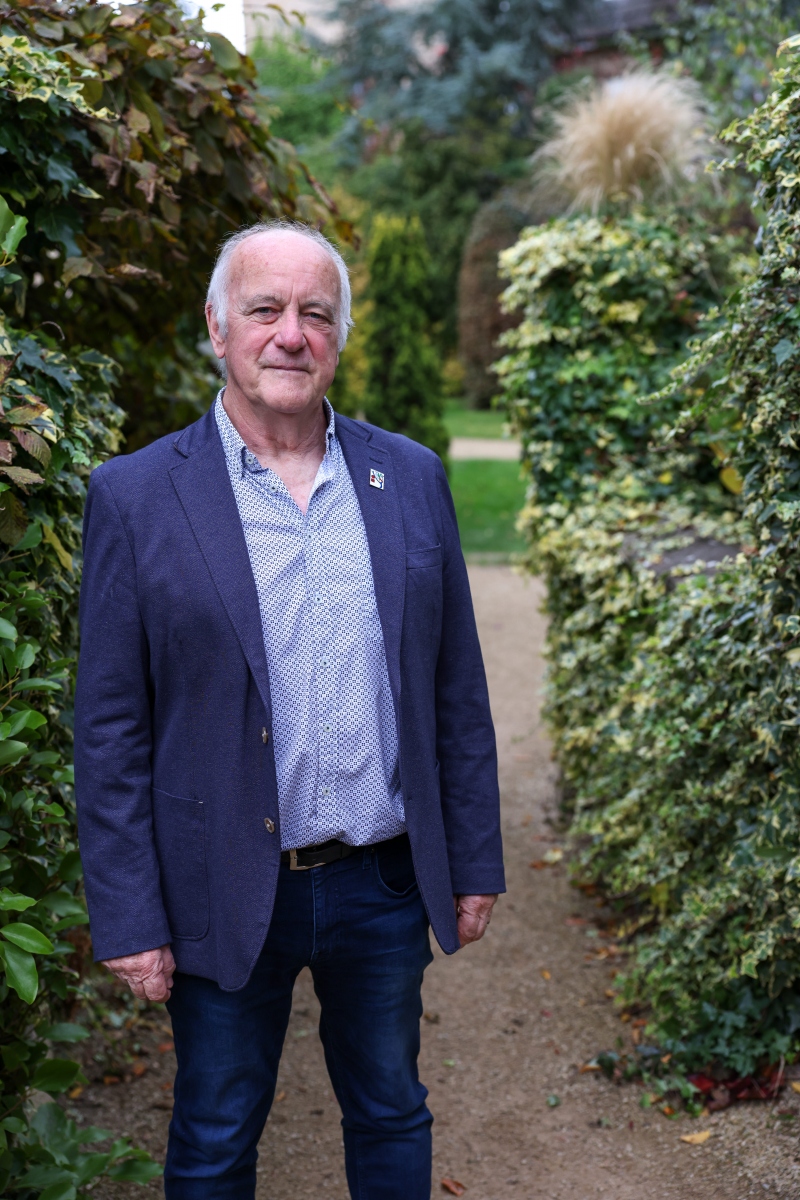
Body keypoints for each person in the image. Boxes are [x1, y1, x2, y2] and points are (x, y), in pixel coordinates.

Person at [74, 220, 505, 1200]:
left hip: (381, 882)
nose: (291, 334)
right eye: (264, 309)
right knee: (215, 1133)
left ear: (339, 335)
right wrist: (129, 915)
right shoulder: (136, 496)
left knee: (391, 1110)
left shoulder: (410, 479)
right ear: (217, 327)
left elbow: (456, 689)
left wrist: (473, 857)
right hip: (220, 883)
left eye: (315, 313)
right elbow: (108, 732)